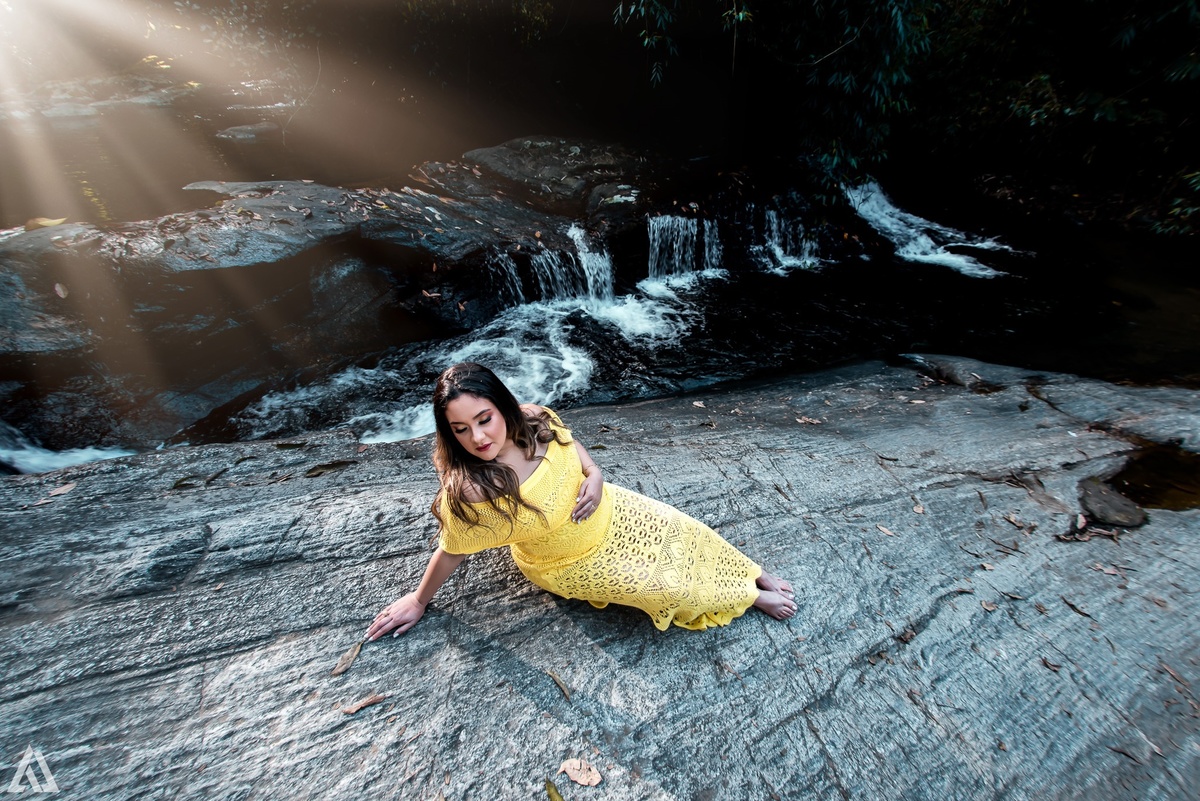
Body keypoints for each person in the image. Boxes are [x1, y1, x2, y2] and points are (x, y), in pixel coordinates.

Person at [366, 362, 796, 640]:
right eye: (460, 430)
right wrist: (419, 600)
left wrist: (594, 474)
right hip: (567, 560)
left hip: (607, 507)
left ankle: (751, 573)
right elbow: (453, 548)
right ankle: (747, 595)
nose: (477, 438)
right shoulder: (475, 489)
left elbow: (572, 447)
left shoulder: (534, 418)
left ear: (503, 407)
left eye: (484, 419)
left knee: (689, 531)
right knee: (664, 585)